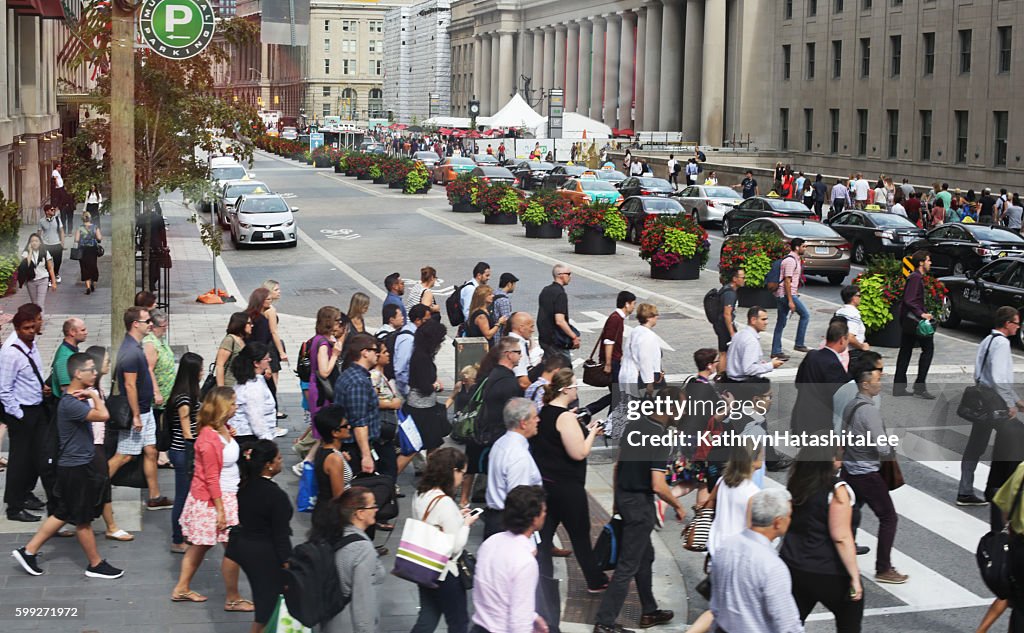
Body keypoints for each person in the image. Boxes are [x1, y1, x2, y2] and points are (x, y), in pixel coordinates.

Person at [11, 352, 124, 579]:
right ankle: (95, 564)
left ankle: (28, 551)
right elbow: (104, 415)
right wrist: (94, 394)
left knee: (63, 512)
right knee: (82, 519)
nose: (95, 373)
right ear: (77, 373)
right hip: (75, 468)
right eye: (90, 370)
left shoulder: (72, 399)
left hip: (73, 465)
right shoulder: (72, 404)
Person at [594, 386, 685, 632]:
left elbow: (618, 466)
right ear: (671, 407)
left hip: (625, 498)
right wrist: (678, 505)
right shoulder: (661, 436)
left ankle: (649, 611)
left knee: (645, 556)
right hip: (639, 507)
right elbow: (658, 484)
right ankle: (604, 622)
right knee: (628, 565)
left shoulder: (635, 425)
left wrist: (616, 504)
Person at [171, 387, 253, 610]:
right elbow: (211, 478)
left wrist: (231, 436)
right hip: (215, 500)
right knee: (232, 549)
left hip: (223, 497)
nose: (237, 407)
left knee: (200, 546)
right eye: (234, 403)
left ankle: (182, 588)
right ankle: (233, 598)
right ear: (223, 407)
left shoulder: (223, 429)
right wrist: (220, 510)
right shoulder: (208, 439)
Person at [532, 369, 608, 592]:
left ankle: (541, 577)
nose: (577, 389)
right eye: (574, 386)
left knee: (545, 535)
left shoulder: (544, 412)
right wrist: (592, 432)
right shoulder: (564, 418)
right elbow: (579, 453)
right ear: (565, 389)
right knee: (580, 535)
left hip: (548, 484)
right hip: (568, 486)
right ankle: (595, 580)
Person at [781, 445, 864, 631]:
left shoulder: (797, 482)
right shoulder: (837, 490)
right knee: (848, 621)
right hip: (828, 569)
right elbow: (841, 537)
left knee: (789, 623)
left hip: (792, 564)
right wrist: (854, 577)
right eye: (839, 455)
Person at [841, 357, 908, 584]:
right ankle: (883, 568)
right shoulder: (869, 411)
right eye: (877, 380)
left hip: (850, 469)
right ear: (865, 384)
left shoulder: (851, 405)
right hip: (866, 471)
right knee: (889, 517)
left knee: (851, 513)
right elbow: (882, 447)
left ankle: (841, 556)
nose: (880, 383)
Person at [709, 489, 802, 633]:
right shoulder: (772, 566)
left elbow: (715, 604)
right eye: (789, 516)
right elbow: (787, 624)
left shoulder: (726, 546)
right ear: (778, 522)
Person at [958, 307, 1024, 508]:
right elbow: (999, 378)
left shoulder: (987, 340)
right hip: (995, 401)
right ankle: (999, 491)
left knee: (976, 445)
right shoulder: (1002, 343)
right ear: (1007, 323)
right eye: (1016, 323)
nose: (1018, 326)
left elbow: (981, 372)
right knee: (1015, 440)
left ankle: (965, 491)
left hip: (983, 398)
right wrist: (1011, 403)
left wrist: (1016, 400)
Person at [107, 307, 171, 510]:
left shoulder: (136, 347)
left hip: (146, 409)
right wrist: (136, 415)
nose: (150, 324)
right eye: (146, 321)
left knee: (151, 450)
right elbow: (129, 385)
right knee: (125, 455)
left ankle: (154, 496)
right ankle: (93, 488)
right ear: (135, 324)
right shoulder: (131, 352)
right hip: (139, 412)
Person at [226, 439, 292, 633]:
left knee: (266, 604)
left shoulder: (245, 485)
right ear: (269, 465)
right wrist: (287, 565)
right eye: (278, 458)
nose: (281, 461)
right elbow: (280, 535)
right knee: (267, 608)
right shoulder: (275, 495)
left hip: (243, 546)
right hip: (263, 552)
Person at [411, 448, 478, 633]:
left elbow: (433, 521)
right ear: (452, 471)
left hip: (423, 565)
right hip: (445, 572)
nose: (462, 478)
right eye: (462, 473)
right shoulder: (444, 502)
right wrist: (465, 524)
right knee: (458, 623)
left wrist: (457, 516)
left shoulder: (420, 494)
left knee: (427, 617)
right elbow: (455, 547)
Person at [473, 485, 549, 633]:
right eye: (543, 511)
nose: (545, 514)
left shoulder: (490, 543)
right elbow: (519, 623)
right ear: (534, 519)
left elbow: (497, 593)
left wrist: (532, 616)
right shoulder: (525, 561)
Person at [0, 307, 52, 522]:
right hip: (22, 412)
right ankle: (14, 506)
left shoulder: (31, 343)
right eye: (27, 327)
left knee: (37, 455)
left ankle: (26, 493)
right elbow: (4, 388)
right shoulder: (11, 352)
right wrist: (19, 415)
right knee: (19, 460)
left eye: (34, 325)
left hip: (36, 406)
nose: (32, 330)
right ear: (18, 328)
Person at [317, 487, 386, 633]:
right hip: (349, 624)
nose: (376, 509)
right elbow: (363, 600)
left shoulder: (333, 534)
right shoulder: (363, 549)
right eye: (373, 505)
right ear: (360, 513)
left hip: (330, 621)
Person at [84, 345, 132, 541]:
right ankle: (110, 526)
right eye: (106, 360)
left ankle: (109, 525)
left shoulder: (97, 389)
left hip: (98, 443)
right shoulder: (88, 392)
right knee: (101, 484)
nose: (108, 363)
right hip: (91, 445)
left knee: (102, 485)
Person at [482, 398, 543, 538]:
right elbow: (520, 501)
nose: (538, 420)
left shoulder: (501, 443)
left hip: (496, 520)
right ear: (523, 423)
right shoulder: (518, 456)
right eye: (534, 417)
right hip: (510, 527)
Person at [167, 352, 203, 554]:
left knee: (187, 495)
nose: (202, 372)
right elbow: (187, 432)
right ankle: (177, 538)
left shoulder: (188, 394)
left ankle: (185, 532)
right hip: (183, 453)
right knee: (182, 496)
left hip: (183, 452)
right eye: (200, 369)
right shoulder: (184, 400)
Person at [791, 318, 851, 435]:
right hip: (820, 422)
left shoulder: (811, 355)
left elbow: (798, 382)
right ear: (842, 340)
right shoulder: (834, 364)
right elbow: (840, 397)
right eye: (847, 339)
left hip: (802, 415)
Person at [335, 333, 382, 474]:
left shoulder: (350, 374)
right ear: (365, 353)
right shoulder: (358, 382)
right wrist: (366, 456)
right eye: (375, 350)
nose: (378, 354)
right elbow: (359, 422)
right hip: (355, 448)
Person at [707, 444, 764, 557]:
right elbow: (750, 529)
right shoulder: (753, 492)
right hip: (736, 552)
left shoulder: (722, 481)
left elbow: (709, 504)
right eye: (761, 456)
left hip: (715, 544)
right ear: (753, 460)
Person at [586, 291, 636, 416]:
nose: (634, 307)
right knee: (618, 393)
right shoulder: (615, 319)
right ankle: (591, 410)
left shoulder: (617, 318)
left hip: (614, 361)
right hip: (612, 361)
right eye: (633, 303)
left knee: (617, 394)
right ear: (626, 304)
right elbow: (608, 342)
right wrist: (608, 363)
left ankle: (606, 420)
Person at [893, 250, 935, 399]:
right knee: (928, 350)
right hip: (914, 321)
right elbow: (909, 299)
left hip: (908, 320)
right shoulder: (916, 278)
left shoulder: (915, 277)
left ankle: (899, 387)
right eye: (928, 260)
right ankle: (920, 386)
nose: (930, 263)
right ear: (921, 262)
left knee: (905, 351)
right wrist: (922, 314)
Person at [405, 319, 450, 455]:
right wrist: (435, 386)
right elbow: (424, 386)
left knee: (431, 444)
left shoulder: (420, 354)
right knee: (419, 446)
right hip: (422, 408)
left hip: (422, 406)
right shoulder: (422, 358)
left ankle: (432, 473)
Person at [228, 342, 278, 444]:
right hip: (248, 438)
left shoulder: (256, 379)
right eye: (266, 358)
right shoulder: (252, 387)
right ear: (256, 363)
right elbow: (256, 418)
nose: (270, 360)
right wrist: (267, 442)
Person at [143, 310, 175, 467]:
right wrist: (156, 391)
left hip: (167, 392)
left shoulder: (160, 339)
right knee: (158, 423)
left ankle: (162, 452)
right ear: (154, 327)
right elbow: (149, 369)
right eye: (163, 326)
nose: (166, 328)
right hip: (158, 395)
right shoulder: (150, 344)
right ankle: (158, 454)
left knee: (163, 423)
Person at [771, 238, 810, 359]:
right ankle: (799, 344)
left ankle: (776, 351)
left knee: (781, 323)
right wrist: (791, 301)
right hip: (786, 295)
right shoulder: (791, 261)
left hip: (784, 294)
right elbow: (787, 281)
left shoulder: (795, 260)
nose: (805, 249)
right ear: (797, 247)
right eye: (803, 246)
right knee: (805, 315)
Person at [724, 307, 785, 383]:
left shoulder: (740, 334)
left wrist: (760, 364)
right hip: (742, 384)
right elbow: (749, 369)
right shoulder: (751, 341)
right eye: (763, 319)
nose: (766, 322)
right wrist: (771, 365)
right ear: (753, 320)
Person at [312, 405, 355, 512]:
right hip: (331, 516)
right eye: (345, 425)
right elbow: (338, 497)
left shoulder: (323, 450)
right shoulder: (334, 458)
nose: (349, 427)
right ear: (335, 433)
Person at [618, 303, 663, 400]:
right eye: (655, 315)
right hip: (639, 378)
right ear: (649, 318)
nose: (657, 317)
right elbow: (644, 359)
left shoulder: (635, 331)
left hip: (627, 374)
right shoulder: (648, 335)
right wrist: (649, 382)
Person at [537, 264, 580, 361]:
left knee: (548, 369)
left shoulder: (545, 290)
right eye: (568, 274)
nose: (570, 277)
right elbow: (560, 321)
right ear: (560, 275)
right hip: (557, 341)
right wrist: (574, 337)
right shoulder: (560, 294)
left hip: (545, 339)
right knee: (564, 372)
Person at [261, 280, 289, 422]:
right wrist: (282, 352)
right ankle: (273, 410)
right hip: (270, 348)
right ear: (269, 292)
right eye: (276, 289)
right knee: (273, 381)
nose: (279, 292)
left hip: (263, 346)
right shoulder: (270, 310)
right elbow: (274, 332)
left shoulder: (260, 308)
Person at [391, 304, 429, 396]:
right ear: (417, 320)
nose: (429, 324)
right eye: (426, 320)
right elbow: (400, 369)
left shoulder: (413, 334)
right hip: (405, 392)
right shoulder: (408, 339)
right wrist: (407, 392)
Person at [715, 269, 744, 373]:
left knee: (724, 352)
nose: (744, 280)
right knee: (724, 353)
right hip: (724, 326)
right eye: (742, 277)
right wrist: (732, 333)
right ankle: (720, 377)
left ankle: (719, 374)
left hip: (721, 324)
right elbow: (727, 314)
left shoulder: (727, 290)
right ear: (735, 279)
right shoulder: (730, 294)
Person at [20, 234, 56, 313]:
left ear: (40, 243)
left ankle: (40, 322)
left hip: (43, 279)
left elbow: (50, 268)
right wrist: (30, 252)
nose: (34, 243)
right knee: (34, 304)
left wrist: (54, 282)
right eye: (32, 241)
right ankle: (36, 320)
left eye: (36, 241)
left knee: (40, 304)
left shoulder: (45, 252)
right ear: (29, 243)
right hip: (31, 281)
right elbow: (27, 265)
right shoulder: (25, 253)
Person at [836, 285, 870, 368]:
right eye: (859, 295)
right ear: (853, 298)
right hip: (852, 354)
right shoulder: (853, 314)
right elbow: (850, 337)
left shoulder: (839, 311)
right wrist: (862, 346)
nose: (860, 298)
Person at [507, 312, 541, 390]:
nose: (533, 330)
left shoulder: (514, 342)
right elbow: (523, 382)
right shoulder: (517, 347)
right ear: (521, 328)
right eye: (531, 327)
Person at [215, 312, 251, 388]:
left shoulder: (243, 340)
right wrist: (221, 388)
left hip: (240, 384)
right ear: (241, 324)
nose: (252, 325)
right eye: (249, 323)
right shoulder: (229, 340)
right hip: (229, 385)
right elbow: (220, 365)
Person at [74, 211, 102, 294]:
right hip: (93, 249)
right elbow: (99, 238)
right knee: (93, 266)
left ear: (82, 219)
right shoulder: (95, 227)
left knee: (84, 267)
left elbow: (77, 239)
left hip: (83, 249)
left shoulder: (79, 228)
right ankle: (93, 281)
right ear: (90, 218)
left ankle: (88, 286)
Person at [37, 204, 65, 285]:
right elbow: (39, 233)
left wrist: (62, 243)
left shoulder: (57, 219)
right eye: (52, 210)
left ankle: (56, 274)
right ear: (47, 212)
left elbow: (61, 231)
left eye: (54, 210)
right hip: (46, 245)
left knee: (57, 262)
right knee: (47, 262)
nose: (54, 211)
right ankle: (49, 278)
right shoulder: (41, 221)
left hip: (57, 244)